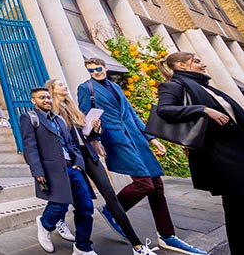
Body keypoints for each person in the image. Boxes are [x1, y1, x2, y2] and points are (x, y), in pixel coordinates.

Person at [77, 58, 206, 255]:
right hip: (116, 139)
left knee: (157, 185)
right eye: (92, 70)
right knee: (144, 183)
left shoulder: (115, 86)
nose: (96, 72)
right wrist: (95, 140)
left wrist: (152, 138)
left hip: (137, 138)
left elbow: (130, 113)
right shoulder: (86, 88)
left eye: (98, 68)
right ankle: (112, 209)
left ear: (105, 67)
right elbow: (88, 117)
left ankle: (167, 235)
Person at [46, 79, 156, 255]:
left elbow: (86, 134)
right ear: (51, 90)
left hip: (88, 154)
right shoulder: (51, 112)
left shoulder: (73, 107)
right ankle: (54, 222)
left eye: (64, 84)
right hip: (72, 159)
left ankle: (137, 246)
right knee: (74, 198)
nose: (65, 86)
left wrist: (96, 129)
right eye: (60, 85)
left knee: (110, 194)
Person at [156, 52, 244, 255]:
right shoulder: (173, 85)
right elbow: (164, 110)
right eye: (196, 61)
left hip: (237, 149)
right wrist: (202, 109)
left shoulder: (206, 87)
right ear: (181, 66)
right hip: (220, 155)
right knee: (236, 208)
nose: (203, 64)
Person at [20, 87, 97, 255]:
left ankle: (83, 247)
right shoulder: (29, 118)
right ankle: (45, 224)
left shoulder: (60, 120)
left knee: (86, 207)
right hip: (51, 170)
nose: (46, 100)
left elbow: (72, 145)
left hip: (73, 168)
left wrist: (79, 163)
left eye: (48, 97)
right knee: (59, 206)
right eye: (42, 98)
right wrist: (37, 171)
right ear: (34, 101)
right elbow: (30, 148)